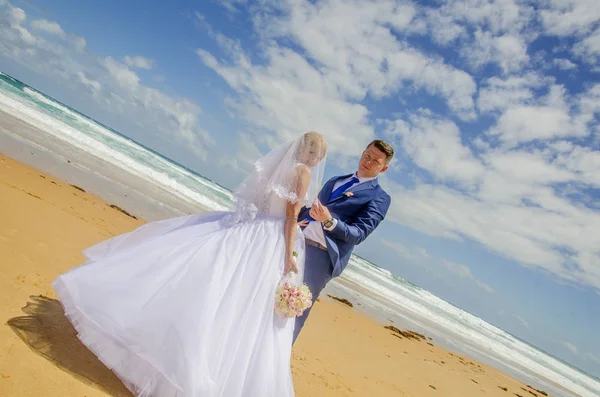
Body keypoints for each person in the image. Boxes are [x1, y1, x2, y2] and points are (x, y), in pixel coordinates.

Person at [53, 132, 328, 397]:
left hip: (255, 229)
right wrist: (288, 255)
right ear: (308, 152)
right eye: (316, 155)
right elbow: (291, 216)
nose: (315, 161)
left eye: (317, 157)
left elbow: (260, 203)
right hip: (272, 239)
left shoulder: (280, 167)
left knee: (229, 293)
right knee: (246, 303)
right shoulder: (302, 172)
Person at [293, 140, 394, 343]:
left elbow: (359, 233)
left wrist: (329, 221)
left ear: (383, 168)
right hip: (296, 244)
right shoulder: (336, 180)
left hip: (321, 256)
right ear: (362, 153)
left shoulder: (379, 198)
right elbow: (309, 210)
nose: (368, 161)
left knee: (295, 310)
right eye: (367, 155)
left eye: (375, 161)